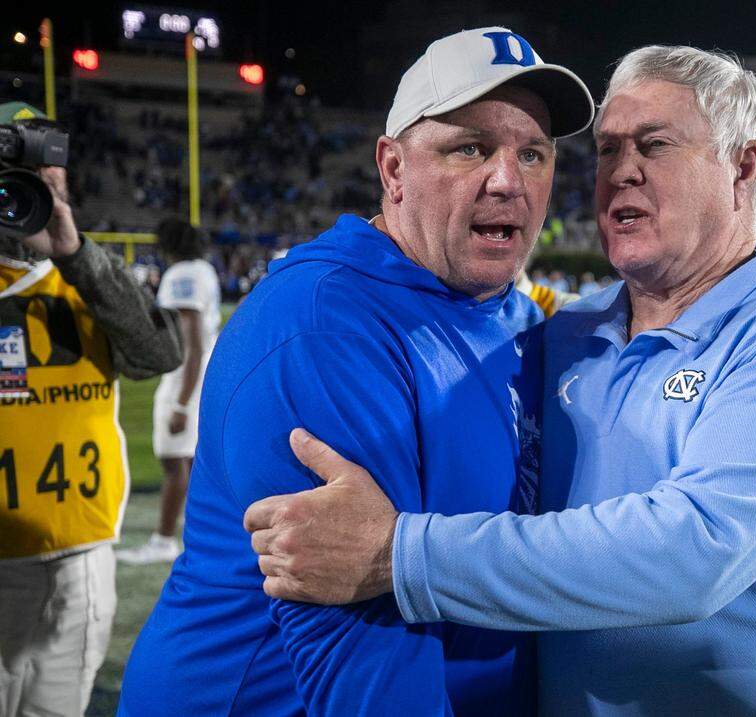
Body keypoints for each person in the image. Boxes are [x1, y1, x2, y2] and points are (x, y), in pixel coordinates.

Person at [246, 46, 756, 715]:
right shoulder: (562, 335)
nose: (621, 173)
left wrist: (399, 554)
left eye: (655, 145)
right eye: (608, 149)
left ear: (744, 168)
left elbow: (695, 550)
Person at [118, 27, 594, 716]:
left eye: (534, 152)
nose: (508, 179)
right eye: (470, 147)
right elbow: (359, 655)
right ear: (393, 169)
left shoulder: (509, 314)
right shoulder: (322, 327)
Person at [0, 102, 183, 716]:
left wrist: (75, 253)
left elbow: (159, 351)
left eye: (49, 177)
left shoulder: (84, 277)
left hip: (83, 560)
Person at [117, 219, 220, 565]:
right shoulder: (203, 269)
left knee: (173, 461)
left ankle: (163, 540)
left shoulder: (182, 275)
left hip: (184, 377)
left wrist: (180, 401)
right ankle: (200, 534)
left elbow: (189, 344)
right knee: (189, 460)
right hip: (202, 372)